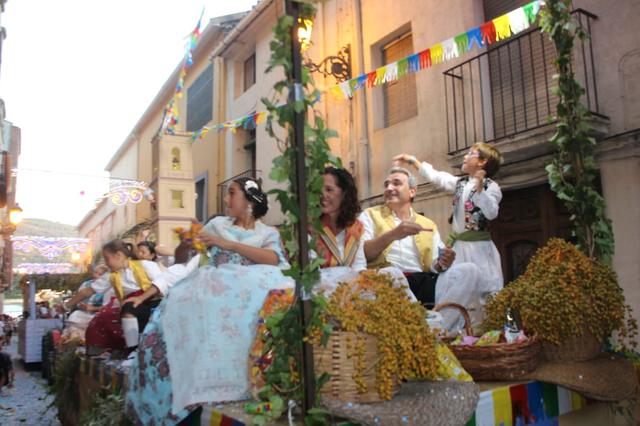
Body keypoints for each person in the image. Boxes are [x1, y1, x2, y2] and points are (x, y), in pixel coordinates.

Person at [126, 177, 294, 425]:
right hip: (217, 281)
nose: (226, 200)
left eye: (232, 194)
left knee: (279, 292)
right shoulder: (216, 224)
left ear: (249, 200)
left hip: (251, 282)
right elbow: (187, 255)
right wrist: (185, 244)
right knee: (190, 302)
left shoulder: (268, 232)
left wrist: (229, 245)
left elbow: (273, 259)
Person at [359, 166, 481, 331]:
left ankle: (437, 330)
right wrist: (394, 234)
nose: (389, 188)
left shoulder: (427, 224)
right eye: (386, 184)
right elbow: (363, 254)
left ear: (412, 191)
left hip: (423, 280)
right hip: (389, 282)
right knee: (391, 273)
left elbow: (435, 265)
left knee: (470, 270)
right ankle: (426, 329)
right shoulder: (369, 215)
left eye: (396, 183)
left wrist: (442, 262)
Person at [393, 142, 504, 301]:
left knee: (486, 293)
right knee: (457, 292)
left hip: (480, 249)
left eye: (470, 153)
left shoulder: (492, 187)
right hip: (458, 249)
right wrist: (412, 161)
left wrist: (480, 188)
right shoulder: (461, 184)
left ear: (482, 161)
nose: (465, 156)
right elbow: (436, 176)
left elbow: (492, 213)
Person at [63, 240, 195, 354]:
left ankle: (134, 349)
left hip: (155, 302)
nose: (106, 263)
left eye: (107, 258)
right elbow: (88, 291)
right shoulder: (112, 276)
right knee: (102, 319)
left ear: (118, 255)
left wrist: (144, 297)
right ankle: (129, 349)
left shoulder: (145, 265)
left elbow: (162, 283)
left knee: (128, 307)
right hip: (133, 305)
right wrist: (68, 304)